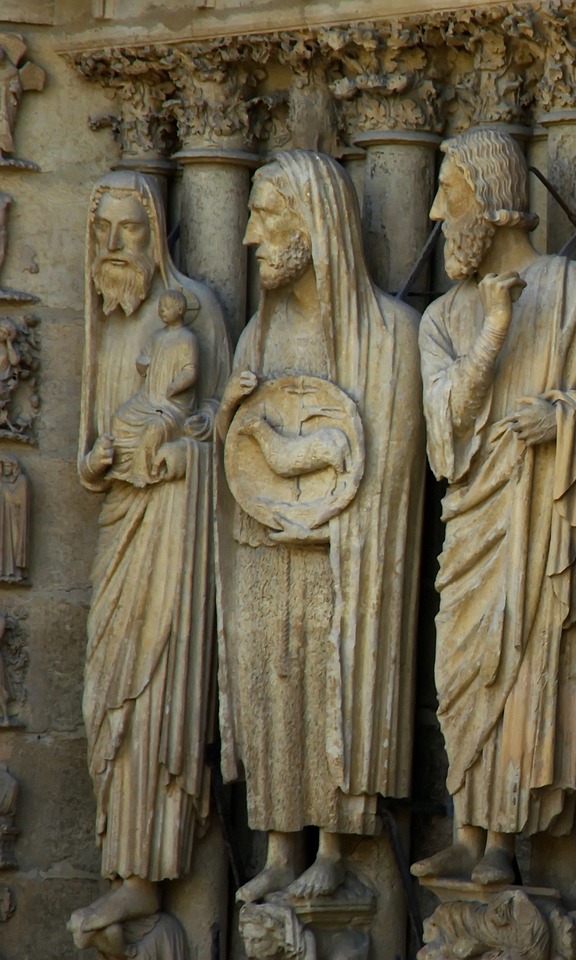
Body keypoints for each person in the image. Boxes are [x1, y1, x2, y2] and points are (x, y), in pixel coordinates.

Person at [415, 129, 576, 886]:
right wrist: (496, 327)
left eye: (450, 191)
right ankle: (467, 829)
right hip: (475, 520)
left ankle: (503, 840)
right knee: (463, 668)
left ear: (496, 200)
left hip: (546, 517)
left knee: (528, 656)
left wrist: (566, 416)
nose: (438, 211)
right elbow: (447, 429)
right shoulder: (442, 319)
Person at [217, 150, 425, 904]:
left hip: (344, 559)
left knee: (329, 680)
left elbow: (394, 470)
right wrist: (226, 424)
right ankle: (278, 846)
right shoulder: (256, 340)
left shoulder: (390, 336)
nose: (249, 237)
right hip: (266, 550)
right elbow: (237, 460)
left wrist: (331, 520)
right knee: (271, 685)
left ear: (315, 222)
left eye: (266, 215)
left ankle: (334, 846)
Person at [70, 169, 229, 942]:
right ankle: (123, 869)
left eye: (130, 230)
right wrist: (102, 460)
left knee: (159, 699)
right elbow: (86, 458)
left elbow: (225, 436)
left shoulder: (196, 315)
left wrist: (174, 454)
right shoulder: (104, 327)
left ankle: (152, 882)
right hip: (121, 533)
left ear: (157, 234)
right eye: (103, 232)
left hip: (174, 539)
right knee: (109, 700)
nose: (114, 246)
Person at [108, 289, 199, 488]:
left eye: (166, 307)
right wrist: (142, 364)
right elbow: (144, 361)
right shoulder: (156, 337)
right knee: (120, 419)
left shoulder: (186, 338)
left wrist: (176, 386)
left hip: (172, 404)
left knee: (155, 428)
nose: (161, 310)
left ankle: (140, 473)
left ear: (180, 309)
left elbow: (191, 370)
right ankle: (117, 467)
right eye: (160, 307)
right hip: (149, 398)